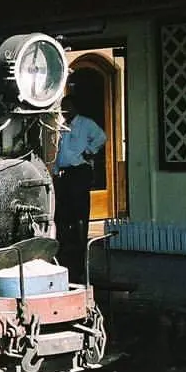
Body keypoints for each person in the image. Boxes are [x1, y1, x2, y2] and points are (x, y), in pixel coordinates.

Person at [53, 95, 107, 281]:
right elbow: (60, 151)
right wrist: (56, 169)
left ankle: (80, 254)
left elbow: (102, 137)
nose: (64, 111)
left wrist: (89, 151)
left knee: (79, 214)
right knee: (63, 215)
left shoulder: (85, 124)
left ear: (75, 107)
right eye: (62, 107)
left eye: (67, 107)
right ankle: (66, 256)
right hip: (65, 173)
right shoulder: (63, 126)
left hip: (79, 171)